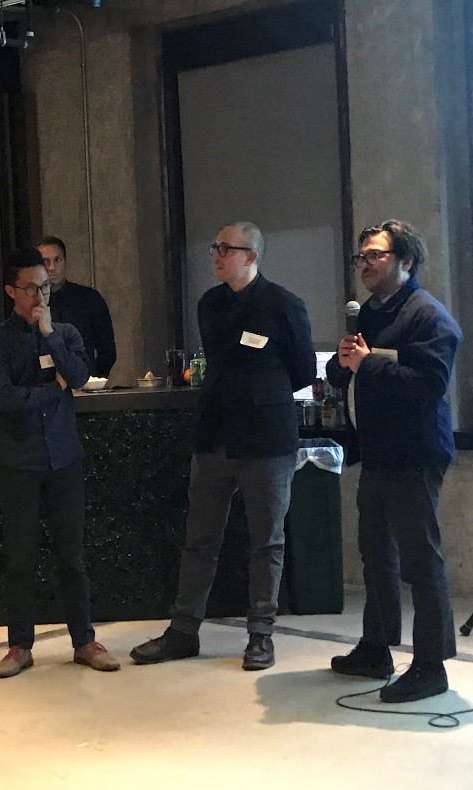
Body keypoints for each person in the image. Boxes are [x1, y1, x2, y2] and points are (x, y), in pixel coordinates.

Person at [131, 221, 315, 671]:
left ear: (251, 256)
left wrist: (260, 394)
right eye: (214, 247)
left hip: (266, 440)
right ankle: (183, 631)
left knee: (266, 543)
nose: (215, 255)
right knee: (199, 540)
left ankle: (261, 636)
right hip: (214, 436)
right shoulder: (210, 304)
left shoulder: (284, 305)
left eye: (225, 249)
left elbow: (303, 371)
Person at [326, 219, 462, 703]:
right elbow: (348, 372)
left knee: (420, 561)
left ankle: (431, 665)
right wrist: (341, 363)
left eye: (375, 255)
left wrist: (368, 363)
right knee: (376, 555)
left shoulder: (429, 317)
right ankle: (376, 648)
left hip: (415, 455)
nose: (364, 263)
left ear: (406, 260)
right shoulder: (368, 313)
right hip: (378, 453)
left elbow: (429, 385)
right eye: (360, 256)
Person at [0, 248, 120, 678]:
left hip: (64, 457)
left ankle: (84, 641)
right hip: (19, 460)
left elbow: (80, 377)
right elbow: (6, 398)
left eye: (45, 286)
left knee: (71, 556)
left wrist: (49, 335)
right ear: (11, 291)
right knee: (20, 559)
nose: (40, 295)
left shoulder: (67, 333)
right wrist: (52, 390)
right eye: (31, 288)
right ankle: (20, 646)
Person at [37, 236, 116, 378]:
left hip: (84, 381)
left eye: (57, 260)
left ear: (65, 262)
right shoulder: (31, 303)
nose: (52, 268)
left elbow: (107, 350)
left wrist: (94, 378)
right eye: (45, 262)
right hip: (42, 384)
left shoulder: (90, 299)